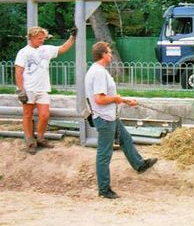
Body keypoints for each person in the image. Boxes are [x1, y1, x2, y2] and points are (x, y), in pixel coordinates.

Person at [85, 41, 157, 199]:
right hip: (104, 118)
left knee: (125, 138)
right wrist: (119, 99)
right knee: (104, 154)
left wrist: (123, 100)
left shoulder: (98, 71)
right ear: (103, 54)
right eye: (109, 52)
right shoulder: (98, 73)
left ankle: (139, 164)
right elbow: (100, 99)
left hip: (109, 116)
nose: (111, 54)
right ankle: (104, 189)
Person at [15, 26, 77, 155]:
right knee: (27, 115)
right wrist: (21, 90)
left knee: (44, 115)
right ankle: (30, 142)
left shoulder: (46, 50)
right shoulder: (23, 52)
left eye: (43, 38)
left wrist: (72, 37)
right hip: (29, 89)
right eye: (39, 38)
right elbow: (18, 72)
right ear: (31, 38)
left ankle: (40, 138)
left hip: (42, 89)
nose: (42, 41)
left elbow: (63, 48)